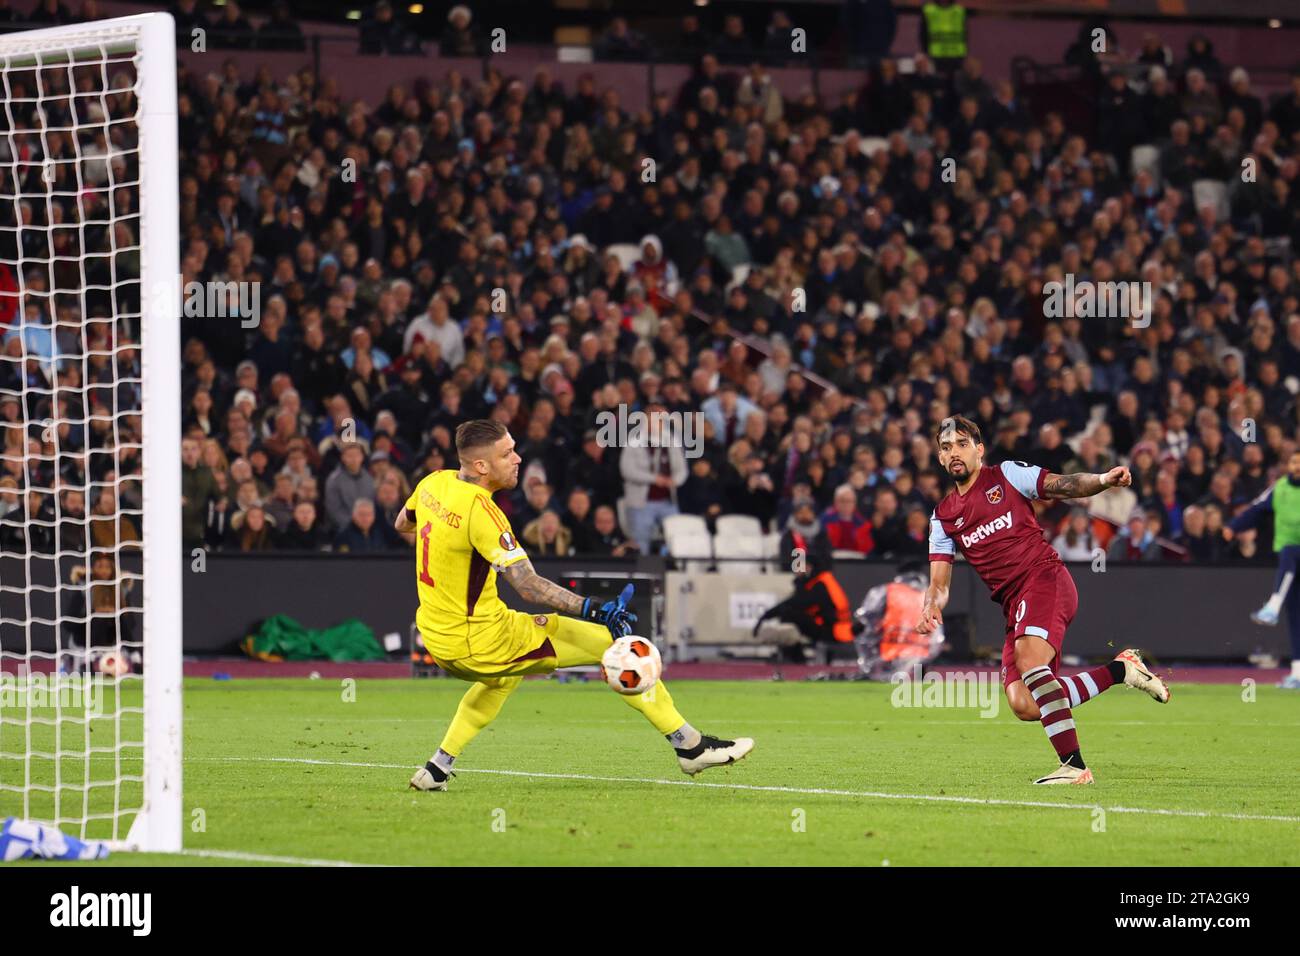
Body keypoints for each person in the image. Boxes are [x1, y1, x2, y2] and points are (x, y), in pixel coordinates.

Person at [400, 420, 753, 792]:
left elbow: (403, 524)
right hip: (480, 639)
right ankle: (690, 745)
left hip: (439, 637)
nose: (518, 459)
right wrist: (593, 608)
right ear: (481, 466)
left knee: (502, 678)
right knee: (617, 648)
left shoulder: (433, 483)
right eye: (507, 454)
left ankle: (437, 768)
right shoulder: (482, 512)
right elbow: (528, 585)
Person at [917, 416, 1170, 786]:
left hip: (1044, 579)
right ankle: (1123, 670)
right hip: (1013, 604)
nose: (953, 452)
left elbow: (1062, 485)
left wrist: (1101, 480)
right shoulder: (942, 518)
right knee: (1025, 703)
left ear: (979, 449)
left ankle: (1074, 765)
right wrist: (931, 604)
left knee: (1031, 661)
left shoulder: (1005, 476)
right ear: (939, 459)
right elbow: (939, 579)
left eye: (961, 443)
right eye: (946, 447)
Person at [1224, 448, 1300, 689]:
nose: (1297, 467)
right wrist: (1234, 526)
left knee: (1290, 551)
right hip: (1291, 563)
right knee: (1296, 617)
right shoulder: (1279, 489)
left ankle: (1273, 605)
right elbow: (1256, 510)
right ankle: (1297, 673)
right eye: (1294, 462)